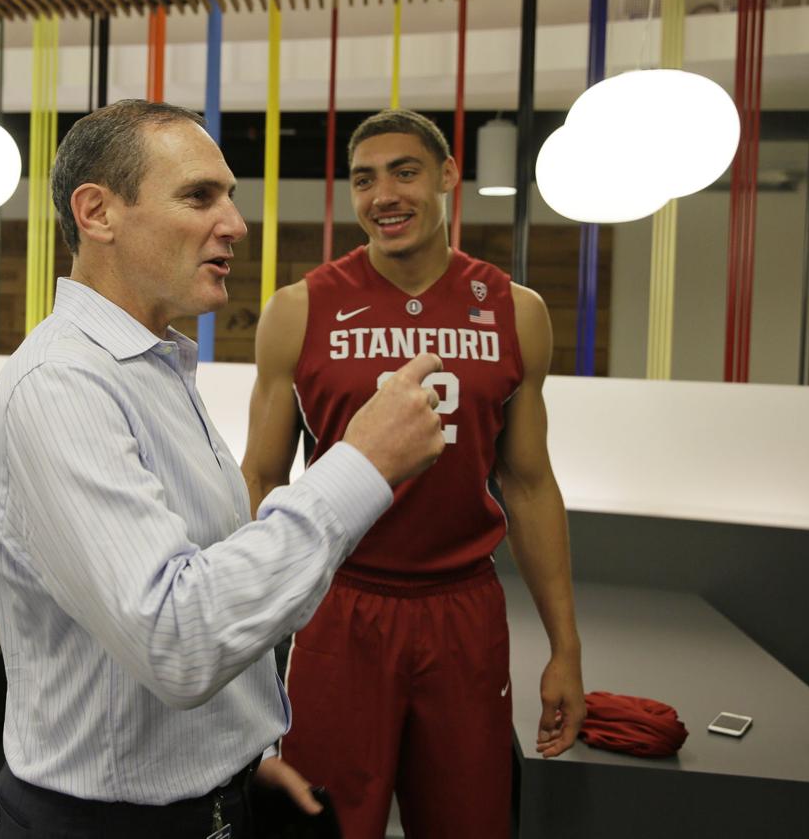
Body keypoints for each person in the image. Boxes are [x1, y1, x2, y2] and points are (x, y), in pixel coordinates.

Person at [0, 100, 451, 839]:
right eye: (199, 196)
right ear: (97, 212)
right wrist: (361, 464)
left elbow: (199, 580)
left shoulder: (153, 368)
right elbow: (175, 636)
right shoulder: (60, 389)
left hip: (205, 803)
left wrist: (236, 754)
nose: (236, 224)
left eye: (230, 197)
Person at [241, 109, 585, 839]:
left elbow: (528, 485)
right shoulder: (298, 310)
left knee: (470, 822)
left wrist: (566, 646)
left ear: (449, 178)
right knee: (325, 824)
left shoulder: (516, 311)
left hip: (463, 607)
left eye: (405, 171)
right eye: (364, 179)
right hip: (342, 603)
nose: (383, 195)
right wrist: (236, 644)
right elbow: (260, 477)